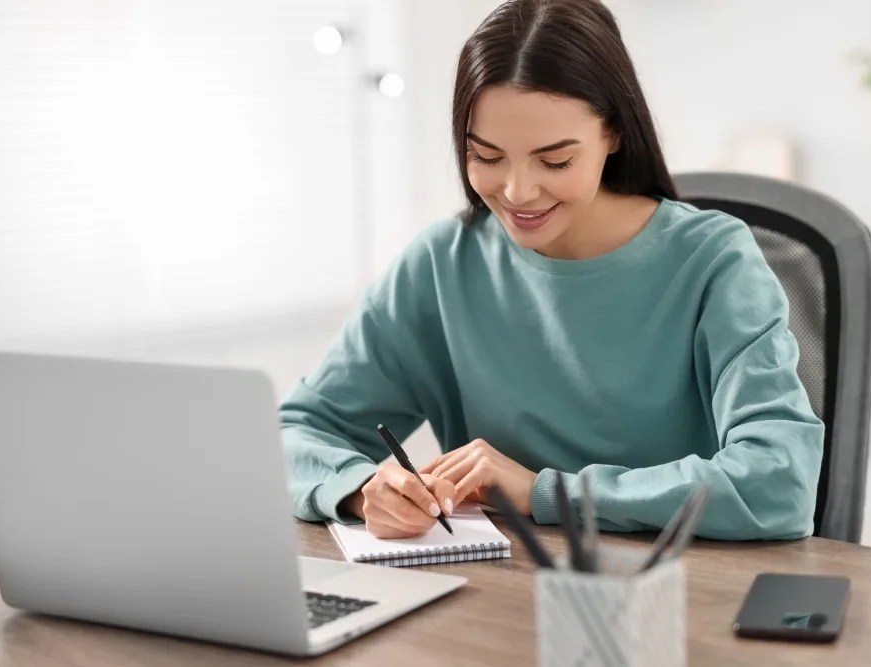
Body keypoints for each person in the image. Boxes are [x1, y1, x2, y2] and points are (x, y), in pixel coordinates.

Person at [279, 0, 823, 541]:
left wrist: (544, 491)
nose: (517, 192)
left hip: (673, 599)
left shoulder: (714, 261)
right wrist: (359, 486)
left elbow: (779, 481)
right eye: (487, 158)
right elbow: (293, 434)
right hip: (500, 598)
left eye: (555, 160)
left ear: (612, 133)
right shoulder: (442, 265)